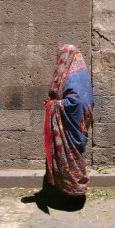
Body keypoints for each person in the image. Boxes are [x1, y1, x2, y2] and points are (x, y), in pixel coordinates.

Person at [43, 44, 94, 199]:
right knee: (77, 152)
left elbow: (76, 102)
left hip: (73, 118)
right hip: (81, 119)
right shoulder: (81, 72)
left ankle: (73, 190)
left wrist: (55, 105)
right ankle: (74, 189)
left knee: (72, 153)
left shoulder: (73, 76)